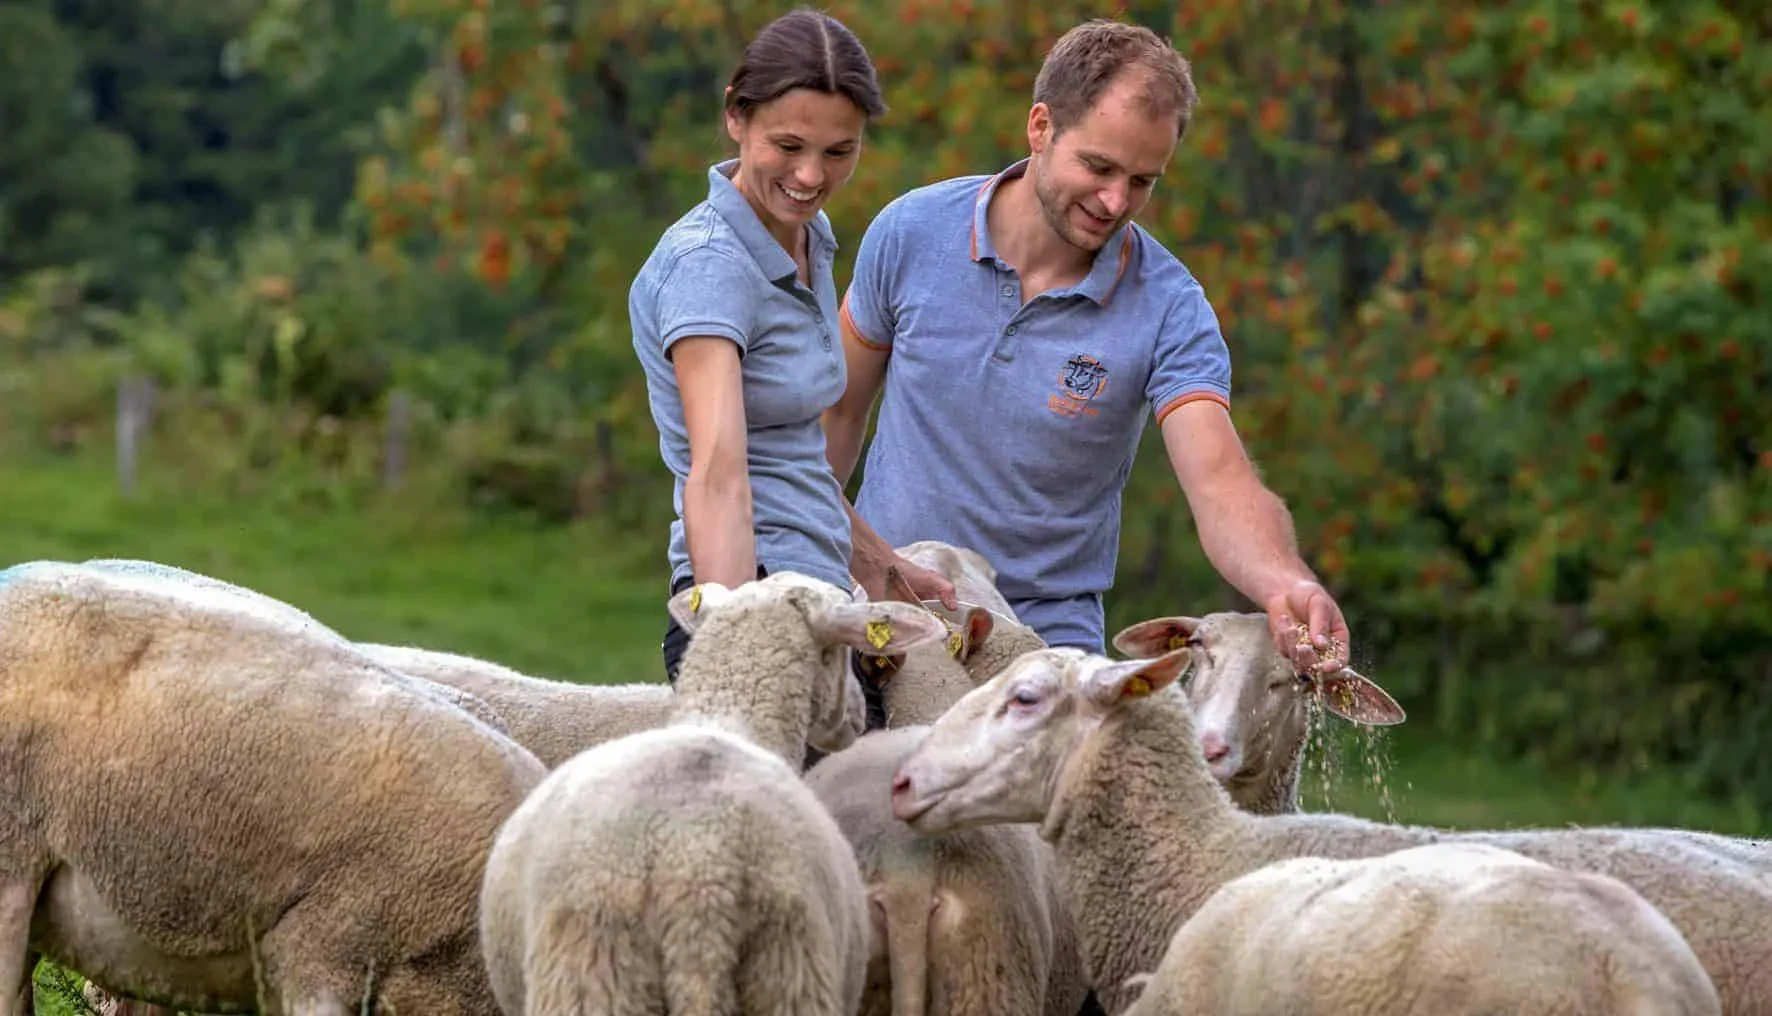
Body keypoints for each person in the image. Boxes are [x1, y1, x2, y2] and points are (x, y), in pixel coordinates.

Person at [823, 18, 1351, 676]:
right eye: (1099, 167)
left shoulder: (1171, 309)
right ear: (1041, 127)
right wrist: (825, 558)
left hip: (1043, 656)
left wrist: (1283, 582)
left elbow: (1221, 483)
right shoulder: (911, 231)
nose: (1115, 200)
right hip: (890, 607)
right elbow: (835, 416)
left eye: (1142, 181)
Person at [630, 8, 955, 690]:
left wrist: (879, 566)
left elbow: (792, 456)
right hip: (759, 607)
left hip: (823, 598)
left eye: (840, 152)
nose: (811, 176)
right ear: (736, 117)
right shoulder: (710, 265)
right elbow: (719, 473)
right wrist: (741, 658)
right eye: (789, 145)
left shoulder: (807, 237)